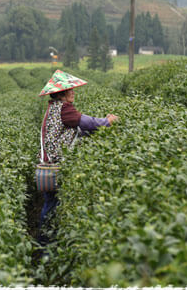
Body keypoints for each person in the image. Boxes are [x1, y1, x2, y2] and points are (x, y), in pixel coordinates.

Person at [37, 69, 119, 244]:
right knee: (52, 206)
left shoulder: (53, 108)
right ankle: (45, 243)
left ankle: (45, 241)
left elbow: (76, 131)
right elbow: (85, 122)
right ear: (63, 93)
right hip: (56, 166)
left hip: (49, 163)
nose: (73, 92)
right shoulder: (64, 109)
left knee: (50, 204)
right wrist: (106, 122)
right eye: (70, 90)